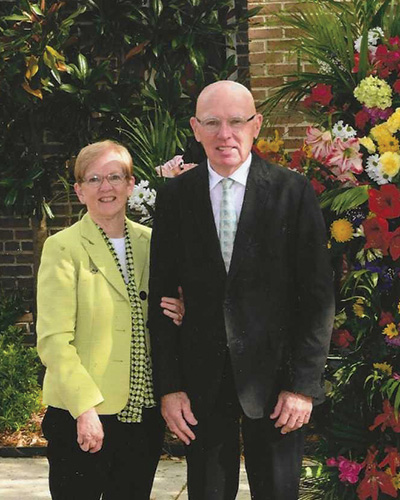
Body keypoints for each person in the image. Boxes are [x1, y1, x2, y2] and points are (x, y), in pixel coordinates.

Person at [148, 81, 335, 500]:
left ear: (257, 125)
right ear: (196, 128)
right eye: (212, 123)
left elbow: (318, 298)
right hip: (201, 385)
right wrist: (170, 387)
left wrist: (302, 385)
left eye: (236, 122)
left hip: (277, 387)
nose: (224, 135)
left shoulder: (293, 192)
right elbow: (160, 298)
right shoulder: (175, 198)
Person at [36, 140, 184, 500]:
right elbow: (54, 340)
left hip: (140, 414)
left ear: (130, 184)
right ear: (79, 190)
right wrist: (85, 410)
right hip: (81, 411)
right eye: (94, 179)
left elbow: (164, 318)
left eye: (115, 177)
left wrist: (181, 311)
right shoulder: (63, 247)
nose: (106, 187)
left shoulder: (153, 243)